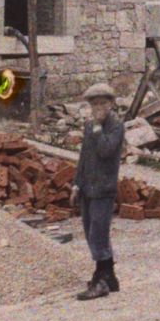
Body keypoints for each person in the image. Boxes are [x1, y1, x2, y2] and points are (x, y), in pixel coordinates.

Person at [70, 82, 125, 299]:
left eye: (103, 103)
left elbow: (105, 151)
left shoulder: (116, 127)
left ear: (111, 104)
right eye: (95, 104)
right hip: (87, 187)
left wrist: (98, 127)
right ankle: (110, 276)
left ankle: (101, 280)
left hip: (103, 188)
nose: (98, 108)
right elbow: (84, 157)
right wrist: (76, 184)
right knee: (90, 230)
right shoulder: (89, 126)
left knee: (98, 233)